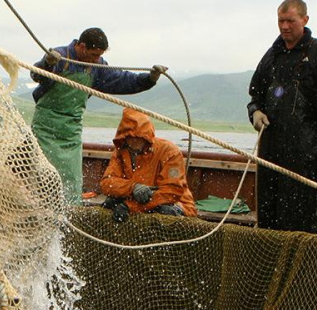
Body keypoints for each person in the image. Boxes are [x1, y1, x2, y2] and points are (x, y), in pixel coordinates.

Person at [247, 0, 317, 232]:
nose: (284, 26)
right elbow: (255, 96)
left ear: (305, 19)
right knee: (268, 209)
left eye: (290, 21)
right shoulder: (272, 55)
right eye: (281, 21)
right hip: (270, 144)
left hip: (305, 144)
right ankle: (270, 259)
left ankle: (298, 262)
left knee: (300, 210)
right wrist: (255, 112)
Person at [31, 27, 166, 202]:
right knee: (42, 173)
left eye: (99, 55)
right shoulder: (60, 56)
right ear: (81, 46)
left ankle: (70, 212)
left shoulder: (97, 67)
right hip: (45, 126)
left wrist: (149, 79)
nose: (97, 59)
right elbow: (37, 74)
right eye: (94, 55)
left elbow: (122, 80)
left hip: (71, 130)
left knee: (71, 178)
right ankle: (39, 208)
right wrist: (48, 63)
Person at [100, 108, 197, 221]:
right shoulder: (120, 153)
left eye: (139, 136)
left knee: (164, 210)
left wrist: (130, 206)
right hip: (135, 200)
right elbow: (107, 183)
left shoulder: (170, 152)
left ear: (147, 136)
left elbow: (172, 192)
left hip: (174, 204)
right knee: (110, 202)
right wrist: (132, 187)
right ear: (123, 137)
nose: (134, 140)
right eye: (130, 136)